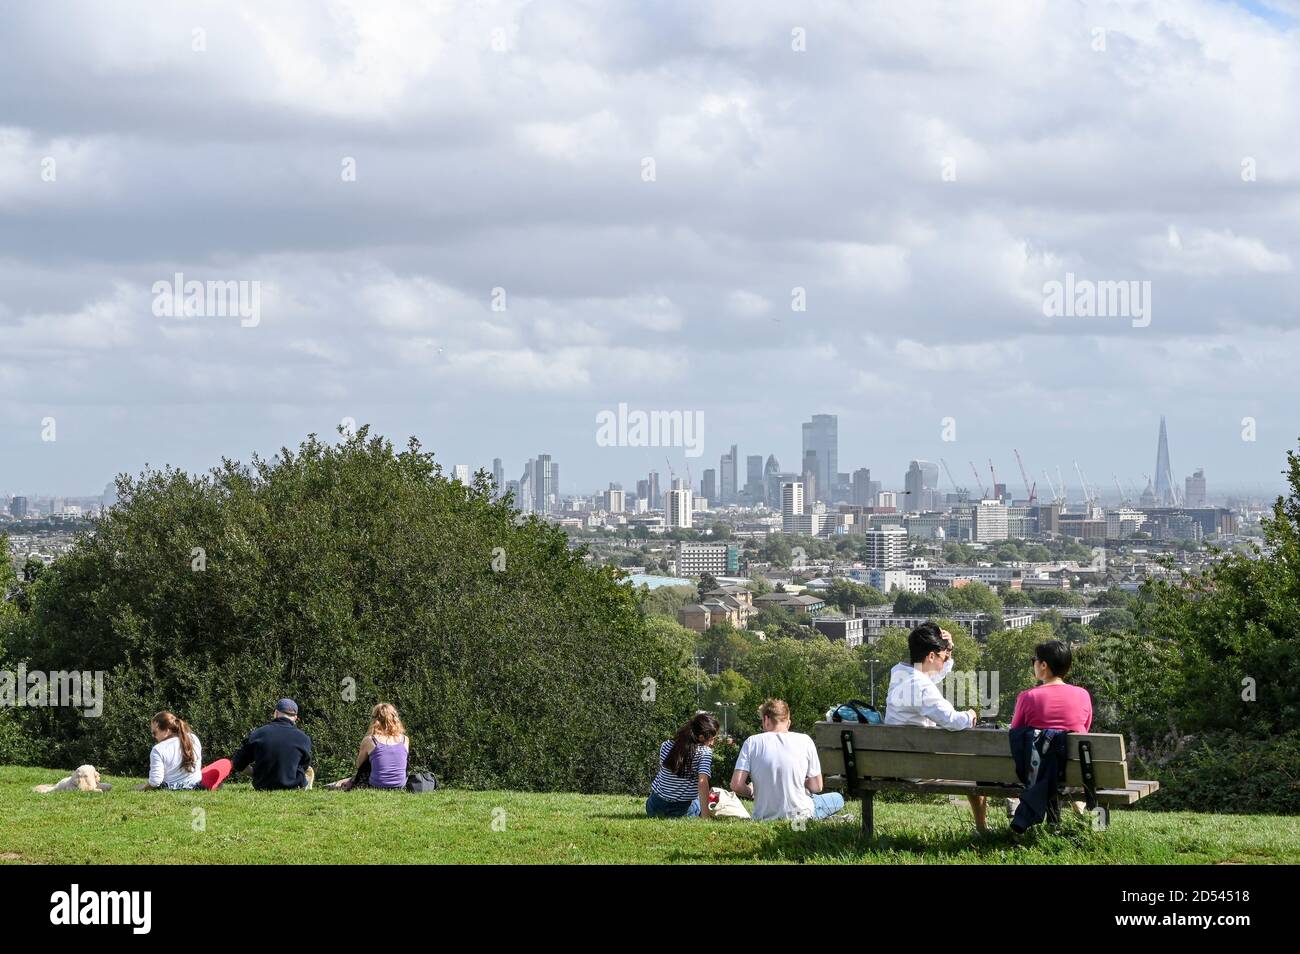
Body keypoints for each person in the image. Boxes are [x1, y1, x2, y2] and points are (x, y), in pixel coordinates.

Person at [884, 622, 989, 833]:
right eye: (942, 656)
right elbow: (952, 720)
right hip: (919, 768)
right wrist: (970, 714)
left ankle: (982, 827)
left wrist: (947, 650)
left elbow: (931, 676)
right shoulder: (921, 687)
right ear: (931, 656)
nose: (945, 660)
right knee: (974, 770)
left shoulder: (900, 673)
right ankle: (982, 828)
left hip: (892, 763)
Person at [729, 699, 844, 821]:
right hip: (800, 815)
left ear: (766, 719)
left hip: (762, 817)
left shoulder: (751, 742)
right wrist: (801, 782)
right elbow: (817, 787)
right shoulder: (805, 740)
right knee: (838, 799)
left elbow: (736, 785)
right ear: (788, 722)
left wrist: (751, 791)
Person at [646, 712, 719, 818]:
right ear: (702, 737)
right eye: (712, 739)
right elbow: (702, 782)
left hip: (655, 807)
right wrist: (706, 816)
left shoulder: (666, 745)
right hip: (682, 810)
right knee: (705, 798)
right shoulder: (705, 752)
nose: (712, 743)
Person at [231, 698, 314, 790]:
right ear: (295, 717)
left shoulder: (258, 734)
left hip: (262, 786)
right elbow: (304, 766)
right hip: (293, 787)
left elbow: (238, 763)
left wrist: (256, 772)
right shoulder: (304, 738)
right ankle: (305, 786)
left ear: (276, 713)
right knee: (308, 769)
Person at [1011, 640, 1093, 733]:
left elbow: (1015, 732)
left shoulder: (1028, 697)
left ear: (1043, 665)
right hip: (1074, 747)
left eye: (1034, 660)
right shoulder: (1083, 695)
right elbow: (1084, 729)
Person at [327, 702, 411, 790]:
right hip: (400, 785)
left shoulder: (370, 740)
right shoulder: (405, 739)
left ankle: (337, 785)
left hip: (377, 785)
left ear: (375, 720)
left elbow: (359, 765)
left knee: (367, 762)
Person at [136, 711, 203, 790]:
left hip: (171, 788)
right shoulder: (193, 738)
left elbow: (155, 782)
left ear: (167, 730)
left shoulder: (158, 749)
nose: (153, 736)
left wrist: (143, 788)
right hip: (196, 785)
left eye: (154, 733)